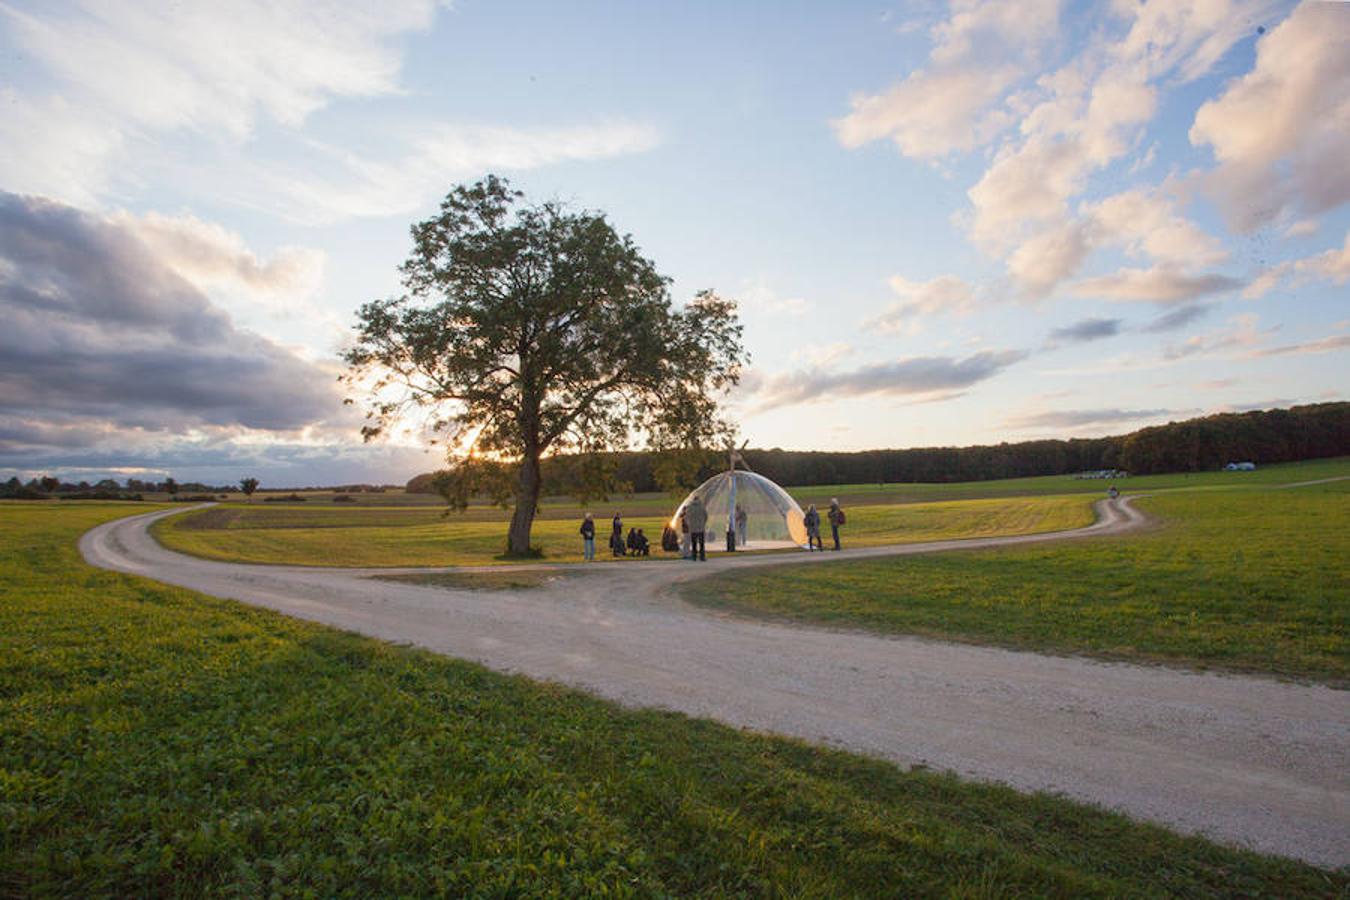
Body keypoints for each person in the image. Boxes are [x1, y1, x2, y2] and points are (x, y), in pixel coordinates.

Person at [685, 494, 708, 561]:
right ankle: (702, 557)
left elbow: (686, 517)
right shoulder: (702, 507)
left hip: (692, 529)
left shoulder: (690, 507)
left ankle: (694, 557)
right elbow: (706, 516)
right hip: (701, 528)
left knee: (694, 544)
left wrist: (689, 524)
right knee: (701, 544)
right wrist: (703, 523)